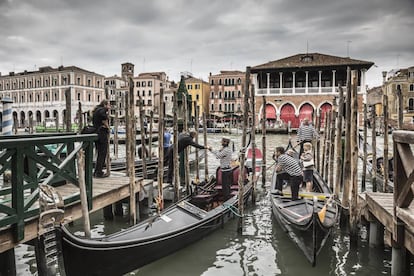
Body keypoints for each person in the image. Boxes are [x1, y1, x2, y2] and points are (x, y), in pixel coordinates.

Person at [92, 99, 111, 178]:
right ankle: (99, 172)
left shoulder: (96, 110)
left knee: (99, 152)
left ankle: (96, 171)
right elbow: (104, 118)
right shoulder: (102, 110)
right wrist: (108, 127)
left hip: (96, 132)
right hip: (102, 133)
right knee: (102, 153)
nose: (109, 107)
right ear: (105, 105)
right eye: (109, 105)